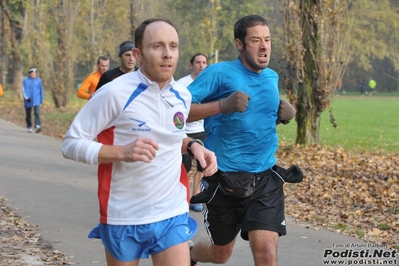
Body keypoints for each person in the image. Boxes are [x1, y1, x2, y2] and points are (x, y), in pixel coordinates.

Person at [61, 18, 218, 266]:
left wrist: (193, 146)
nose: (167, 55)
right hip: (124, 215)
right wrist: (121, 152)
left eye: (173, 46)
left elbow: (169, 136)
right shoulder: (115, 92)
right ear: (138, 54)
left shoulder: (182, 96)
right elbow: (70, 144)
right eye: (157, 46)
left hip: (171, 210)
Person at [187, 15, 299, 266]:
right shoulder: (218, 73)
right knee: (220, 254)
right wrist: (222, 106)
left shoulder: (271, 77)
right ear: (240, 43)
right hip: (223, 178)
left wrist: (284, 115)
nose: (264, 46)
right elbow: (177, 111)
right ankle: (190, 254)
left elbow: (256, 118)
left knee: (267, 253)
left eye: (268, 40)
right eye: (256, 40)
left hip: (264, 178)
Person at [177, 53, 208, 212]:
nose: (201, 65)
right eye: (198, 62)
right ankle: (183, 195)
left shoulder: (209, 83)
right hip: (185, 133)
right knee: (185, 166)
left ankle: (195, 196)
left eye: (204, 63)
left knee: (202, 166)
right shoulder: (182, 84)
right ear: (191, 65)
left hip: (202, 130)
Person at [22, 67, 44, 133]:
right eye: (32, 73)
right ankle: (29, 126)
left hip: (36, 99)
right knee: (28, 114)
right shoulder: (25, 80)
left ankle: (37, 125)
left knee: (37, 113)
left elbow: (41, 90)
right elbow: (23, 89)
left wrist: (41, 98)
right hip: (28, 100)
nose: (33, 74)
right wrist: (26, 97)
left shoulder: (38, 80)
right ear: (30, 73)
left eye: (35, 73)